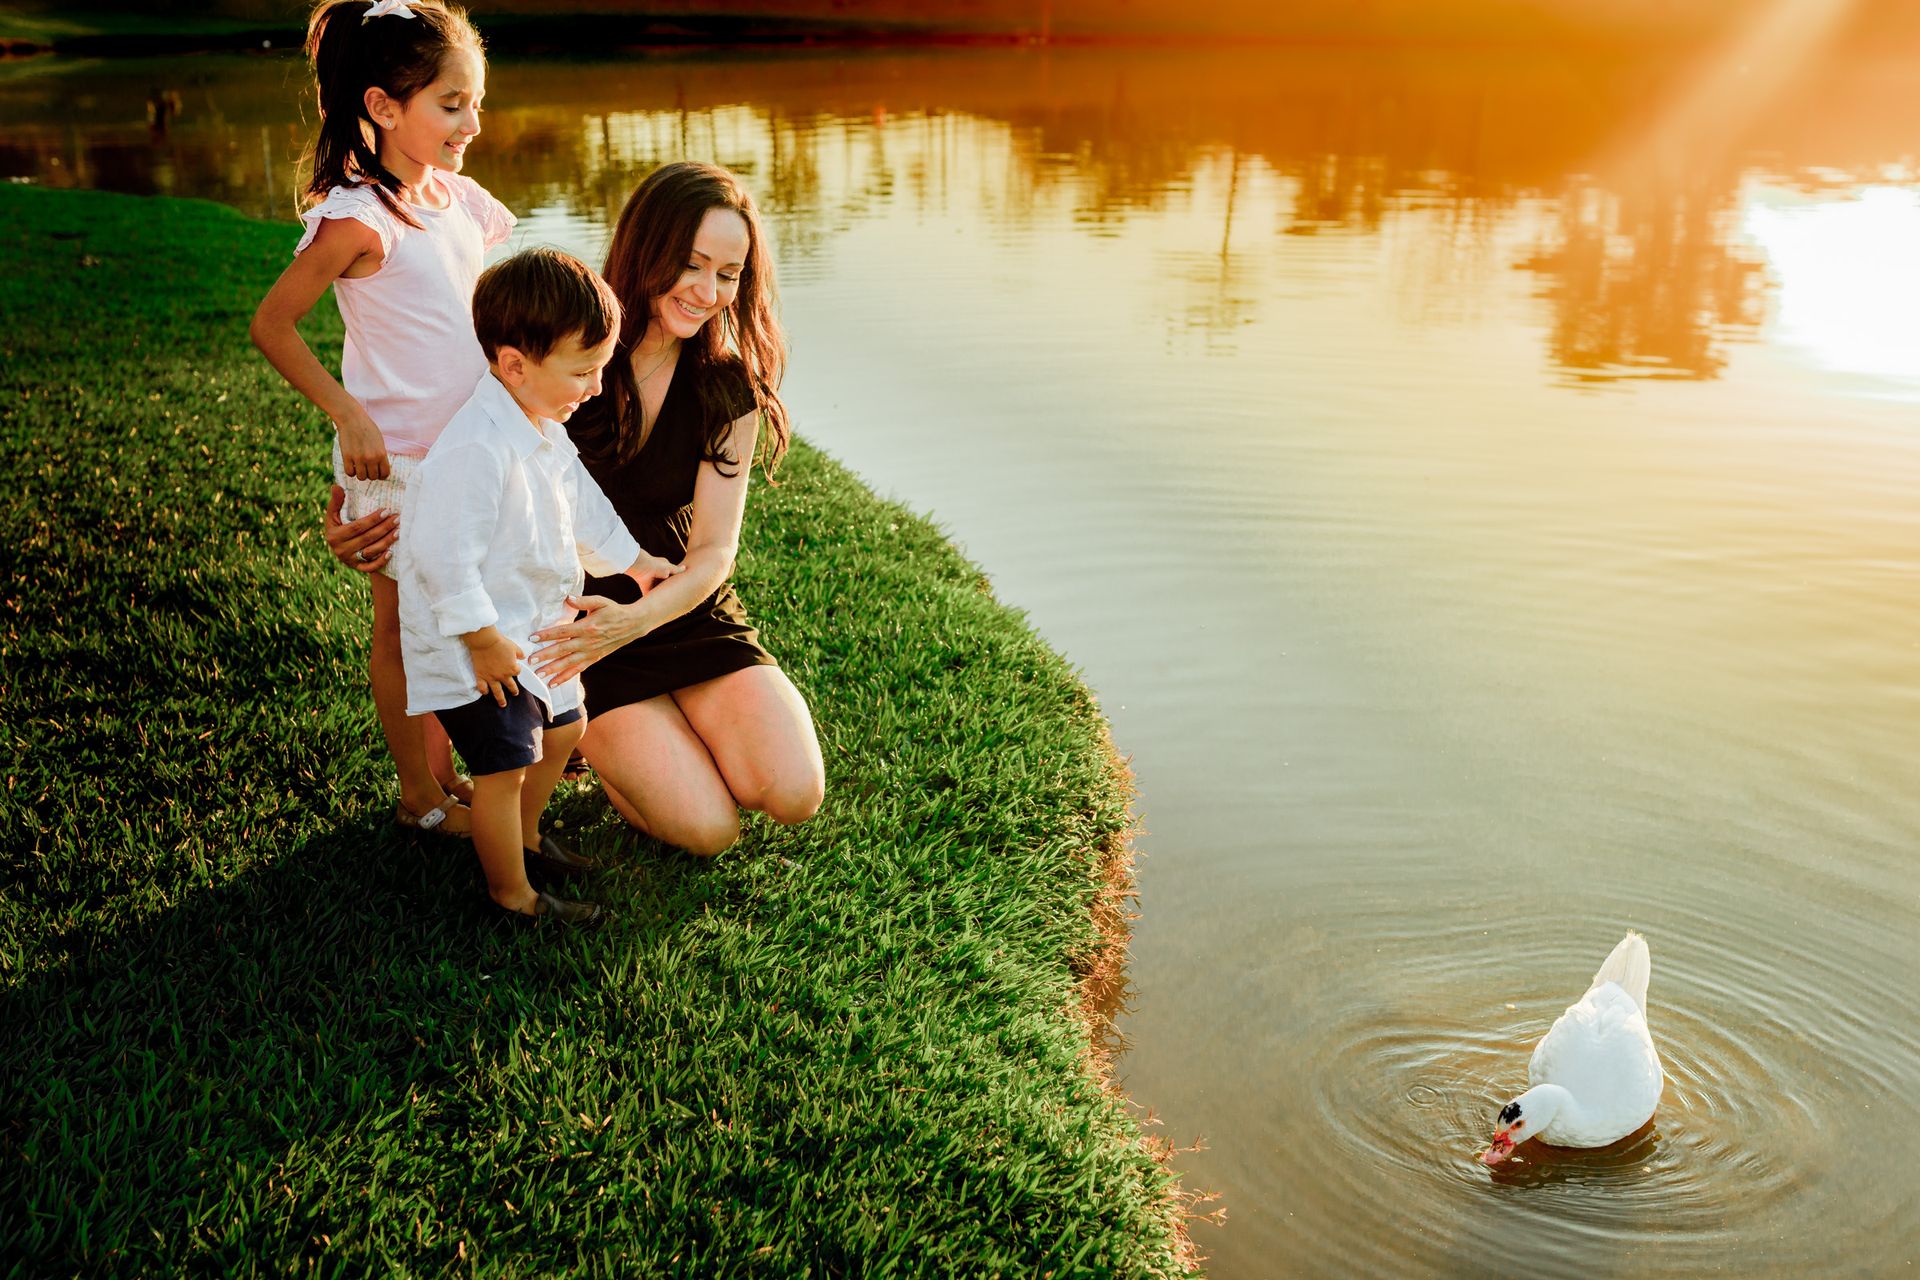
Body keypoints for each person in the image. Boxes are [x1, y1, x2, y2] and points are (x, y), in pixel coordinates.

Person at [251, 0, 511, 838]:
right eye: (451, 104)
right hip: (397, 464)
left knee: (462, 617)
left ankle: (454, 775)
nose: (471, 121)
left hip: (469, 454)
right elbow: (272, 324)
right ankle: (421, 796)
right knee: (403, 631)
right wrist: (346, 413)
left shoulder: (460, 201)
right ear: (383, 107)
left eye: (475, 101)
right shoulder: (359, 217)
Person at [527, 162, 826, 855]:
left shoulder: (728, 387)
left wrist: (638, 620)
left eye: (729, 273)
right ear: (646, 247)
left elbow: (714, 554)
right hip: (579, 626)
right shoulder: (568, 345)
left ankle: (670, 730)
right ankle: (605, 746)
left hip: (675, 607)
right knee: (709, 830)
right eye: (691, 264)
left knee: (791, 792)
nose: (708, 291)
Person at [399, 248, 682, 925]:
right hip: (477, 642)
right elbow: (442, 560)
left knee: (566, 728)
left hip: (528, 623)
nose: (594, 385)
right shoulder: (475, 450)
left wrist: (634, 563)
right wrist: (483, 638)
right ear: (514, 364)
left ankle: (524, 839)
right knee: (505, 763)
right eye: (583, 371)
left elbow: (581, 506)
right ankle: (511, 894)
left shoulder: (543, 427)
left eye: (602, 366)